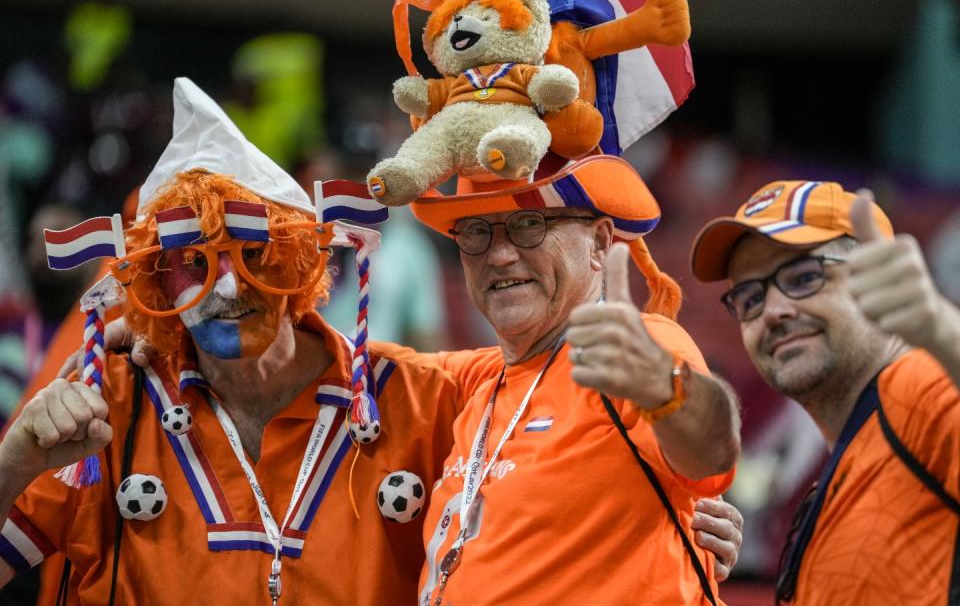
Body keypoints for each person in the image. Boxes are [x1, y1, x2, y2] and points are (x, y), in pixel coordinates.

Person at [0, 80, 742, 604]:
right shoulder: (108, 402)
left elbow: (648, 427)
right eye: (190, 267)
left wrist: (672, 501)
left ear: (299, 264)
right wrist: (18, 457)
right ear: (157, 281)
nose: (225, 288)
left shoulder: (421, 394)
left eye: (253, 256)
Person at [408, 155, 742, 605]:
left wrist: (665, 389)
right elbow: (336, 363)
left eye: (529, 224)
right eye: (476, 231)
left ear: (600, 244)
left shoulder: (637, 351)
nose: (500, 254)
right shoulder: (479, 379)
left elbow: (710, 455)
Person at [689, 180, 960, 604]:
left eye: (804, 278)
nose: (774, 311)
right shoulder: (842, 471)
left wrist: (940, 329)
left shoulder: (920, 390)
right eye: (750, 297)